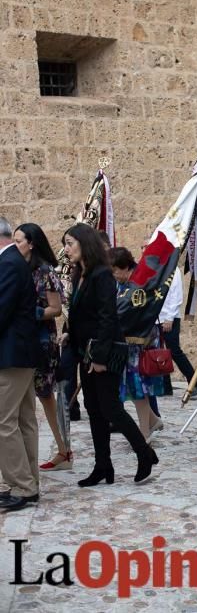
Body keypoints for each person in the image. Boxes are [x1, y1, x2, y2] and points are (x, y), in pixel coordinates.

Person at [63, 224, 158, 486]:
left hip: (103, 352)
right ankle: (103, 465)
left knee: (111, 409)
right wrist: (70, 334)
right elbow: (80, 312)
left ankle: (145, 453)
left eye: (70, 243)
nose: (66, 249)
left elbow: (107, 317)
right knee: (93, 409)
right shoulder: (79, 273)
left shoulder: (102, 274)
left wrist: (101, 358)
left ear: (84, 243)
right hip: (85, 351)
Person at [14, 224, 70, 470]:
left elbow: (55, 309)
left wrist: (29, 313)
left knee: (46, 397)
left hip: (42, 342)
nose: (14, 246)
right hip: (20, 342)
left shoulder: (45, 271)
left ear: (32, 243)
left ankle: (64, 451)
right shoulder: (17, 269)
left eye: (18, 241)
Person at [0, 217, 41, 512]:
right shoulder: (15, 262)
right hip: (21, 354)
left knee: (3, 422)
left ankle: (22, 486)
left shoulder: (8, 264)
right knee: (24, 419)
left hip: (12, 355)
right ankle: (30, 483)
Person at [109, 247, 164, 438]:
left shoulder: (139, 282)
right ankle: (153, 420)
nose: (114, 275)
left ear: (125, 267)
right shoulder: (124, 284)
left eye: (115, 270)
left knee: (138, 386)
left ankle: (144, 431)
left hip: (141, 340)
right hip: (128, 341)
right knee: (133, 386)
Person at [159, 266, 197, 398]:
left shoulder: (173, 270)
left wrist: (169, 317)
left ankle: (193, 382)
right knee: (159, 352)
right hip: (155, 317)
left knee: (174, 351)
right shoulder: (153, 267)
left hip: (169, 317)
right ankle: (165, 386)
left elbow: (176, 295)